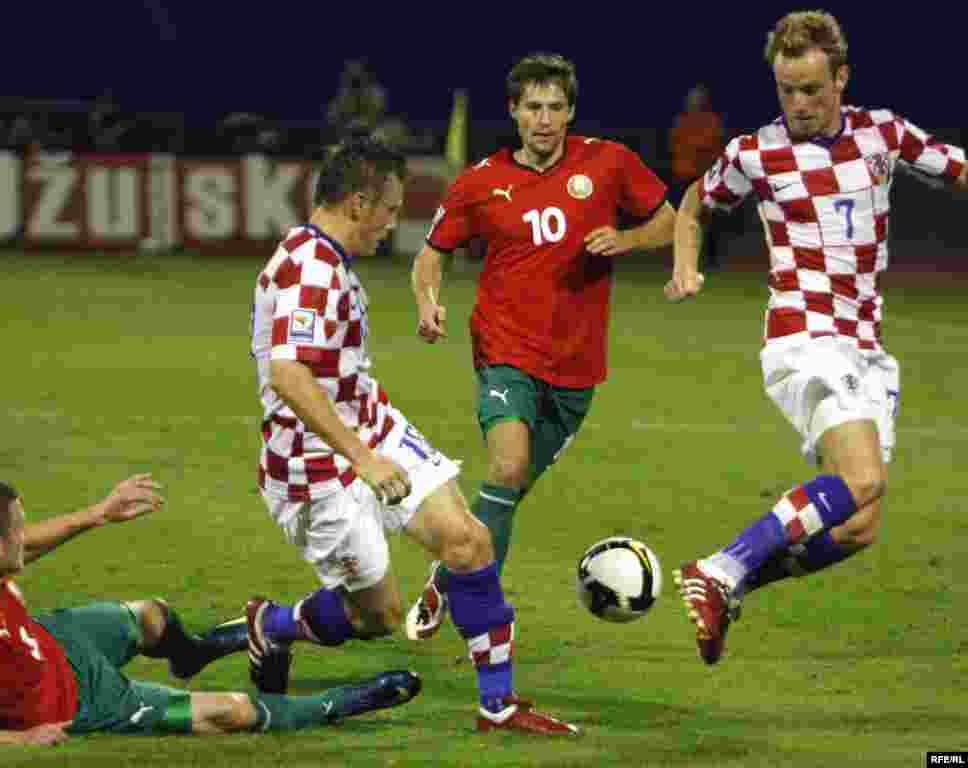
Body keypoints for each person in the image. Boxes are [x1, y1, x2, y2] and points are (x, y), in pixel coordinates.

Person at [243, 134, 577, 735]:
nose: (394, 225)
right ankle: (273, 626)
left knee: (468, 542)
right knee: (379, 616)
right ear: (356, 204)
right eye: (391, 210)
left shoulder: (326, 260)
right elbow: (289, 375)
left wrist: (371, 445)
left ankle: (497, 705)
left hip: (369, 427)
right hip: (314, 462)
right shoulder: (309, 269)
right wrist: (364, 460)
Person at [665, 10, 967, 665]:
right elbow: (694, 199)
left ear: (841, 79)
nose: (798, 104)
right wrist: (685, 262)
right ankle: (719, 568)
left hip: (865, 346)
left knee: (858, 525)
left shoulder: (882, 133)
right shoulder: (756, 153)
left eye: (811, 89)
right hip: (802, 336)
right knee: (862, 479)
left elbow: (957, 168)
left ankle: (739, 580)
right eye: (785, 90)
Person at [407, 53, 675, 640]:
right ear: (514, 112)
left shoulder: (609, 162)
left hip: (578, 366)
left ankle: (446, 574)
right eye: (533, 107)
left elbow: (670, 220)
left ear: (571, 111)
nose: (545, 119)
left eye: (556, 107)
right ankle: (484, 623)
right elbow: (431, 255)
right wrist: (428, 300)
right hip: (505, 347)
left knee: (509, 489)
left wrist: (627, 239)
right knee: (507, 465)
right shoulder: (480, 181)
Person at [0, 475, 420, 745]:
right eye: (19, 528)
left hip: (56, 643)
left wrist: (97, 514)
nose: (27, 535)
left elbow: (26, 550)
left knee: (153, 615)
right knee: (230, 712)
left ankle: (191, 653)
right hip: (81, 703)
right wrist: (19, 741)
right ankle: (343, 702)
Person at [669, 84, 726, 269]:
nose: (694, 101)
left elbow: (715, 148)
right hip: (683, 177)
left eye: (698, 98)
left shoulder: (712, 121)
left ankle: (710, 260)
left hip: (704, 178)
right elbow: (674, 147)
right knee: (682, 220)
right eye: (692, 98)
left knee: (709, 221)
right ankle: (682, 259)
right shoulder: (681, 121)